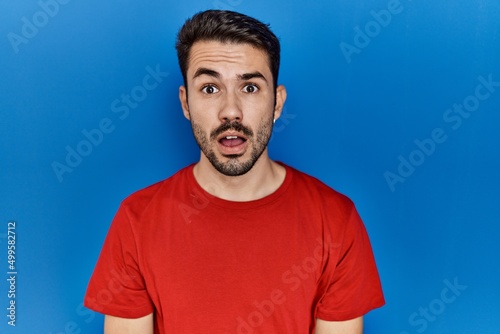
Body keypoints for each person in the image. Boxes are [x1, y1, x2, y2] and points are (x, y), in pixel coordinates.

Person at [84, 9, 385, 334]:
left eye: (250, 88)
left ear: (278, 103)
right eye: (210, 88)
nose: (231, 111)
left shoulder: (336, 221)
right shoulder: (137, 221)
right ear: (185, 103)